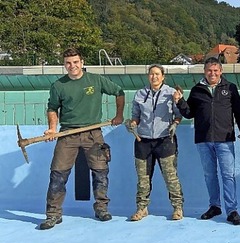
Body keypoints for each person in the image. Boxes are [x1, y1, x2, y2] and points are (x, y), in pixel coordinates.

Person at [39, 47, 124, 230]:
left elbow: (119, 92)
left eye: (76, 62)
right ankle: (53, 215)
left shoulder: (96, 80)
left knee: (100, 172)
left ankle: (101, 208)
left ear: (82, 63)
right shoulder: (58, 85)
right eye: (69, 63)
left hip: (93, 134)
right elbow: (52, 108)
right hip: (67, 134)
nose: (72, 66)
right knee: (57, 175)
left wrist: (119, 115)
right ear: (64, 65)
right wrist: (52, 128)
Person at [175, 56, 240, 225]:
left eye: (216, 70)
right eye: (209, 70)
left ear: (221, 71)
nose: (212, 73)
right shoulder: (197, 90)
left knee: (228, 176)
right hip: (203, 140)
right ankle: (214, 206)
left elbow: (239, 113)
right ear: (204, 71)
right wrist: (180, 102)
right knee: (210, 175)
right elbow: (189, 113)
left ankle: (232, 210)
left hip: (225, 139)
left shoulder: (230, 88)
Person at [126, 64, 184, 221]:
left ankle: (178, 208)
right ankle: (142, 208)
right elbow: (135, 116)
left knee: (171, 177)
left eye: (157, 74)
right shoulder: (140, 94)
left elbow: (179, 114)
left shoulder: (171, 93)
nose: (154, 77)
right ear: (148, 76)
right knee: (143, 179)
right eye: (151, 74)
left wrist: (175, 124)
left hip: (165, 140)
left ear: (163, 76)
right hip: (143, 141)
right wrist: (132, 124)